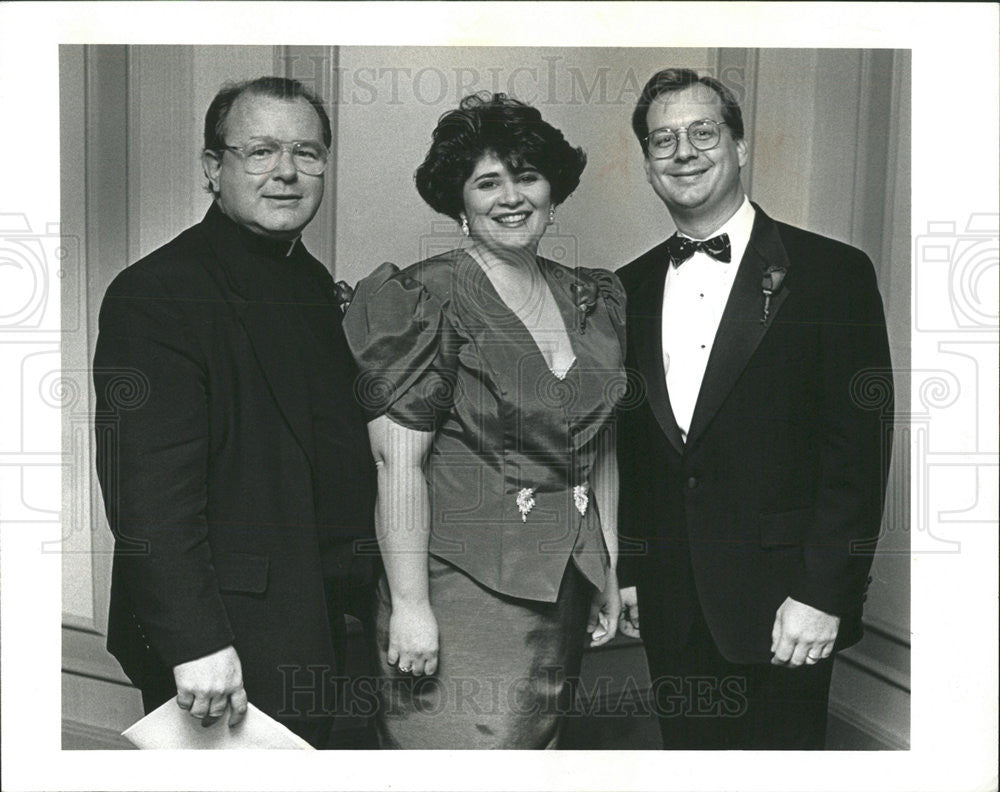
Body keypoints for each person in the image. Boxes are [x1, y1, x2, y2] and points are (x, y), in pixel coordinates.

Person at [93, 76, 376, 749]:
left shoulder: (309, 282)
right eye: (261, 152)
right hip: (222, 641)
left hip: (320, 621)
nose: (287, 172)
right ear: (212, 169)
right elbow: (148, 496)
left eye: (307, 154)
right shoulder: (155, 295)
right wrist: (196, 643)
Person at [615, 68, 893, 750]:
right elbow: (641, 453)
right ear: (648, 166)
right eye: (663, 140)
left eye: (702, 132)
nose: (683, 152)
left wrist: (826, 594)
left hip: (786, 604)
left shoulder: (833, 273)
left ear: (740, 146)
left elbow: (859, 453)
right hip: (672, 603)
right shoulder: (626, 287)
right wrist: (630, 571)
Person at [342, 92, 625, 749]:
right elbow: (397, 461)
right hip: (458, 589)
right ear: (458, 201)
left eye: (527, 175)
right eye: (487, 181)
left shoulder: (595, 298)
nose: (511, 196)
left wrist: (608, 563)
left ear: (554, 189)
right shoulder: (423, 298)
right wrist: (411, 606)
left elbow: (602, 446)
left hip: (564, 587)